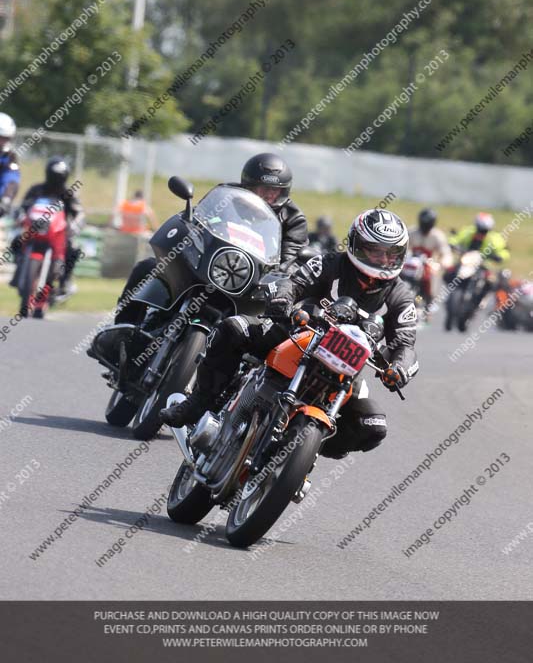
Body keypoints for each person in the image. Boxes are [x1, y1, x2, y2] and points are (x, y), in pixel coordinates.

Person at [161, 208, 419, 459]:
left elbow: (405, 343)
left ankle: (303, 450)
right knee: (233, 328)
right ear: (357, 245)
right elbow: (294, 283)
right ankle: (198, 403)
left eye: (391, 253)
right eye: (375, 251)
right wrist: (283, 299)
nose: (383, 259)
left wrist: (400, 368)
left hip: (346, 370)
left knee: (372, 426)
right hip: (300, 335)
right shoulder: (331, 263)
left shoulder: (401, 297)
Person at [114, 153, 308, 323]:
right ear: (249, 186)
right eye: (263, 189)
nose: (269, 195)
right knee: (146, 268)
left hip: (249, 283)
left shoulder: (293, 218)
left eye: (275, 190)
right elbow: (199, 220)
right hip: (208, 266)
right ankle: (121, 328)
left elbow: (291, 258)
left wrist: (280, 275)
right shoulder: (227, 196)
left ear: (284, 191)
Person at [16, 156, 84, 296]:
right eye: (54, 176)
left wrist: (75, 225)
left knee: (73, 249)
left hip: (58, 234)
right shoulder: (36, 190)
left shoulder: (68, 194)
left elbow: (78, 212)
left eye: (59, 176)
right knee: (16, 241)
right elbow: (23, 206)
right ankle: (18, 271)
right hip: (34, 231)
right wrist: (20, 216)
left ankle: (64, 282)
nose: (56, 179)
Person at [448, 212, 510, 307]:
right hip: (466, 261)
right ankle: (449, 294)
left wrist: (500, 256)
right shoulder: (468, 232)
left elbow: (504, 251)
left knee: (491, 281)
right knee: (449, 272)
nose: (481, 233)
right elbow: (456, 239)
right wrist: (453, 244)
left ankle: (483, 299)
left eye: (484, 231)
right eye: (480, 229)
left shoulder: (494, 238)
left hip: (484, 265)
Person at [407, 208, 453, 305]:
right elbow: (402, 245)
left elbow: (445, 252)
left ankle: (428, 302)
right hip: (411, 261)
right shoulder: (412, 232)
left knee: (432, 281)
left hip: (428, 264)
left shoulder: (437, 236)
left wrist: (445, 263)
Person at [0, 113, 20, 218]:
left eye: (7, 138)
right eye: (2, 138)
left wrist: (6, 199)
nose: (4, 142)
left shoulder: (9, 156)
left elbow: (11, 179)